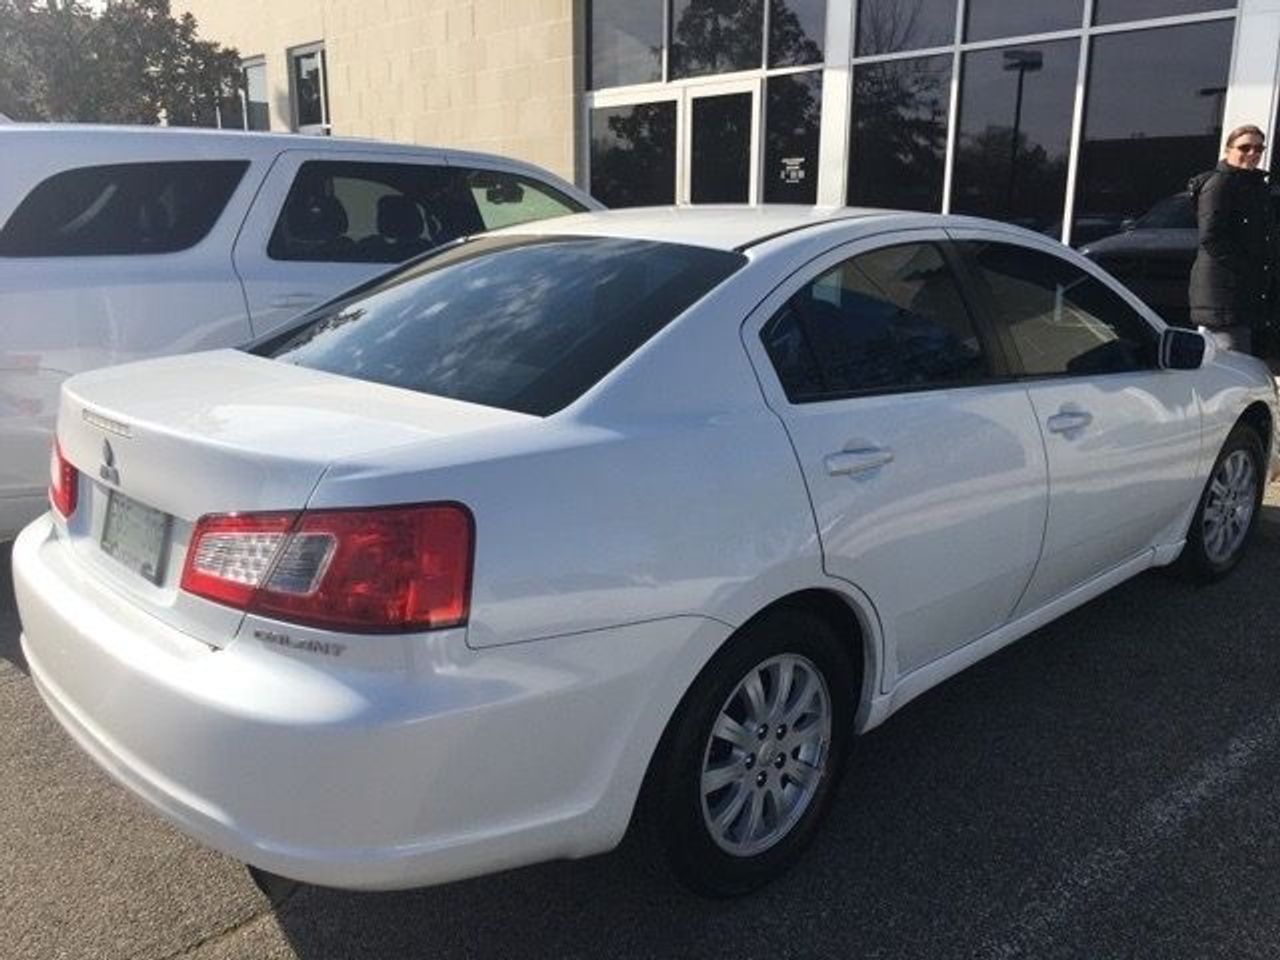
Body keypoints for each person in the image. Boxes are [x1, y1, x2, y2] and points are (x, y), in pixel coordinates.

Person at [1187, 124, 1276, 355]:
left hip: (1244, 296)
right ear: (1228, 149)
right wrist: (1246, 268)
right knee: (1230, 367)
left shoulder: (1255, 187)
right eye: (1244, 147)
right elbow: (1211, 236)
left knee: (1244, 365)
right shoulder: (1219, 184)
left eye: (1258, 148)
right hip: (1222, 297)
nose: (1252, 154)